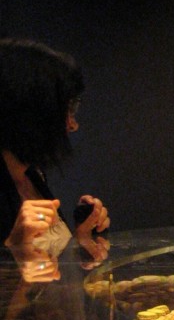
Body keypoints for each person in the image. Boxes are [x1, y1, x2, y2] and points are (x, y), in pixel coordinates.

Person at [0, 39, 110, 267]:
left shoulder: (32, 174)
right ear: (31, 114)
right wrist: (15, 248)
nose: (73, 125)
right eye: (66, 110)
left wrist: (82, 239)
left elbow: (50, 269)